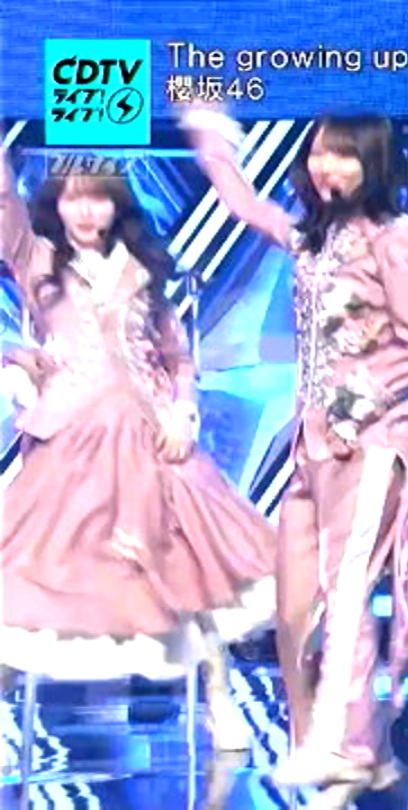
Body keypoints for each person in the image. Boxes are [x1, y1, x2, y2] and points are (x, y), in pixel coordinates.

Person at [181, 105, 408, 795]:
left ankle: (347, 755)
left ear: (374, 164)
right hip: (311, 450)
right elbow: (246, 206)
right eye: (321, 152)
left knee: (345, 600)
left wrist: (354, 406)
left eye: (345, 155)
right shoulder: (311, 240)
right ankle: (327, 750)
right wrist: (211, 141)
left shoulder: (398, 240)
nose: (328, 166)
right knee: (294, 611)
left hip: (372, 445)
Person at [0, 150, 275, 752]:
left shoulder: (143, 271)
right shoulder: (38, 261)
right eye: (73, 196)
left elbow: (179, 360)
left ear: (116, 205)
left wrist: (183, 412)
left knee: (190, 568)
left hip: (151, 437)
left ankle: (219, 700)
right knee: (35, 577)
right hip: (70, 442)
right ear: (56, 204)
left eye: (97, 197)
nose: (85, 210)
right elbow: (4, 207)